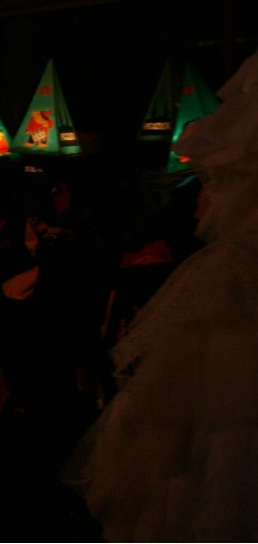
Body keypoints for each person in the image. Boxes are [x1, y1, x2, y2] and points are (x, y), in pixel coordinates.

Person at [63, 49, 258, 541]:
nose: (203, 199)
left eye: (213, 183)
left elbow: (159, 419)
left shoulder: (227, 269)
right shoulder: (226, 267)